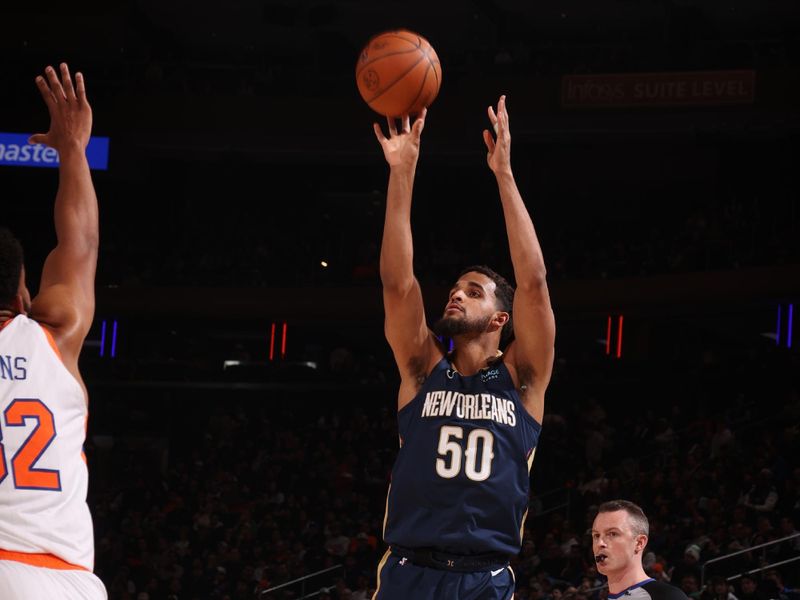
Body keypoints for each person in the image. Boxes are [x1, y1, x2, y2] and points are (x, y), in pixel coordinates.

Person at [371, 96, 556, 599]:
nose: (455, 293)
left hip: (484, 577)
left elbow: (534, 284)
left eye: (473, 292)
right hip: (409, 570)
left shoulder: (523, 377)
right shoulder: (421, 366)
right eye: (455, 287)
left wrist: (504, 174)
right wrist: (403, 170)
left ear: (501, 318)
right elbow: (397, 283)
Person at [0, 64, 106, 599]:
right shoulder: (54, 333)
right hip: (61, 580)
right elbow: (80, 242)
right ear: (22, 295)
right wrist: (73, 150)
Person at [591, 500, 688, 600]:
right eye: (596, 535)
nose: (599, 543)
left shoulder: (668, 597)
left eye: (612, 534)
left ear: (639, 543)